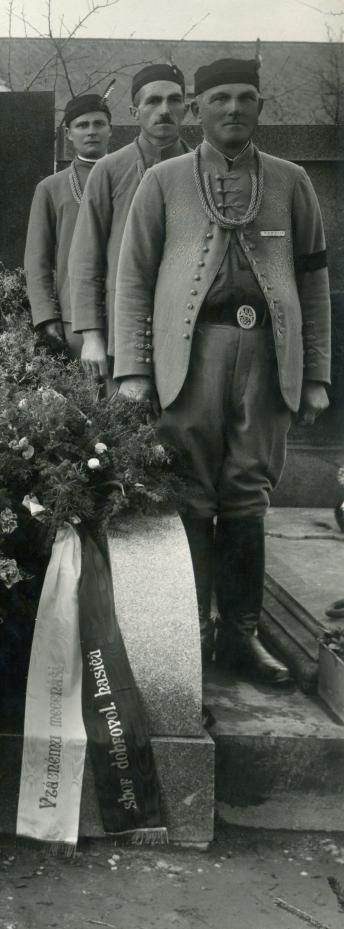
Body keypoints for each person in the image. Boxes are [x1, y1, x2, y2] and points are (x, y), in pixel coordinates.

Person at [112, 58, 331, 685]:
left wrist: (315, 372)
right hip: (191, 356)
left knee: (248, 497)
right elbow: (133, 278)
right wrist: (135, 369)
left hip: (266, 356)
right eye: (219, 99)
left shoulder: (292, 183)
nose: (233, 109)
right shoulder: (163, 183)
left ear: (260, 106)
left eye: (245, 98)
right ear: (195, 109)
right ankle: (191, 640)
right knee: (188, 494)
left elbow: (315, 283)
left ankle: (240, 639)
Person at [69, 65, 194, 386]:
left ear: (186, 107)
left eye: (174, 100)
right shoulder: (110, 169)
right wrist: (93, 337)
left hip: (190, 330)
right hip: (121, 333)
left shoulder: (202, 168)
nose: (164, 110)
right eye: (152, 101)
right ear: (134, 111)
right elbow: (85, 258)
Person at [24, 93, 111, 357]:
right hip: (73, 318)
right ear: (69, 134)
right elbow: (37, 259)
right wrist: (47, 316)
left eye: (99, 124)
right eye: (82, 126)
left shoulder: (135, 178)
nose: (91, 132)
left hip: (128, 315)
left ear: (111, 130)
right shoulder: (51, 188)